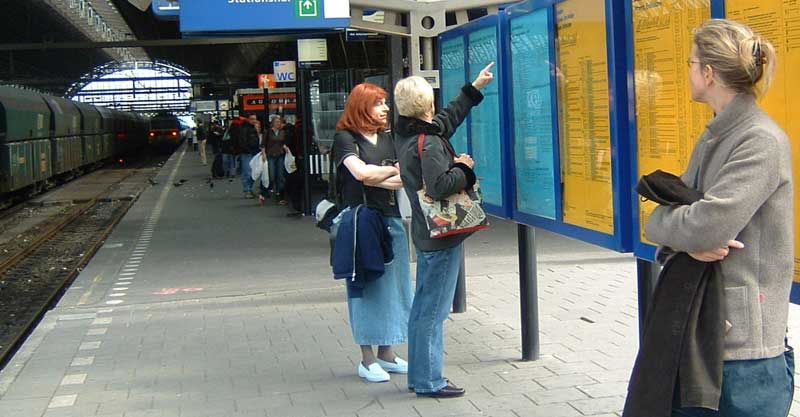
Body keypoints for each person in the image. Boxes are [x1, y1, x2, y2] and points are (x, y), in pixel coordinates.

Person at [643, 19, 793, 417]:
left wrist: (678, 227)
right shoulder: (719, 134)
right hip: (707, 334)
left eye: (691, 63)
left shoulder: (758, 139)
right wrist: (677, 229)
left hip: (743, 355)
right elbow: (668, 219)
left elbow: (707, 225)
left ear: (708, 73)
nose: (688, 71)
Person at [393, 63, 494, 398]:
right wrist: (464, 169)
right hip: (442, 238)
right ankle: (429, 381)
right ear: (428, 105)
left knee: (424, 307)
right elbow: (438, 186)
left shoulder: (408, 135)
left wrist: (474, 88)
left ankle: (420, 376)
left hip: (426, 235)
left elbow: (443, 123)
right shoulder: (431, 144)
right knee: (432, 312)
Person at [332, 83, 413, 384]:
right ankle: (367, 360)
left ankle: (387, 354)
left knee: (395, 287)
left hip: (391, 221)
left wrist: (379, 174)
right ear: (361, 106)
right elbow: (360, 174)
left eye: (385, 103)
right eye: (378, 103)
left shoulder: (389, 138)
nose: (385, 108)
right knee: (364, 289)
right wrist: (387, 171)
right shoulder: (344, 138)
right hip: (360, 222)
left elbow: (402, 179)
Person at [262, 115, 289, 205]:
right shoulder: (268, 132)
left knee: (280, 175)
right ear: (273, 123)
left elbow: (283, 142)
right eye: (277, 122)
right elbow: (263, 144)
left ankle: (279, 194)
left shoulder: (282, 132)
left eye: (279, 122)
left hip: (280, 155)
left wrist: (285, 147)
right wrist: (264, 153)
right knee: (271, 175)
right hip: (270, 155)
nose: (279, 123)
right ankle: (266, 190)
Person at [239, 114, 261, 198]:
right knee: (247, 172)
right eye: (252, 119)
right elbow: (242, 140)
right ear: (248, 119)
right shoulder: (246, 128)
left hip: (251, 152)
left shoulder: (250, 128)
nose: (254, 121)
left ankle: (249, 189)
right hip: (248, 152)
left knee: (251, 172)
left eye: (255, 119)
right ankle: (247, 189)